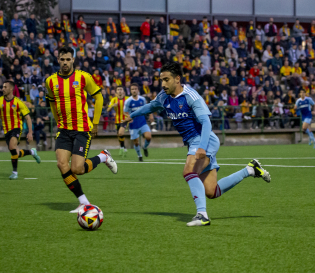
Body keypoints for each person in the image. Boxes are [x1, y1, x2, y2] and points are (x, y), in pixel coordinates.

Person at [123, 63, 271, 227]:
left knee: (189, 171)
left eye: (166, 80)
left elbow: (206, 123)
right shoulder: (164, 96)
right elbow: (150, 107)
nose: (163, 84)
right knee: (212, 191)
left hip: (203, 139)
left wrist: (201, 146)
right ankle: (250, 169)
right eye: (161, 80)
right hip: (194, 142)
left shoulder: (191, 96)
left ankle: (202, 215)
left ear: (177, 79)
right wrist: (132, 116)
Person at [45, 46, 117, 213]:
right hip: (63, 129)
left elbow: (99, 97)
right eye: (62, 59)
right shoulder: (50, 81)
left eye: (68, 59)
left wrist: (96, 123)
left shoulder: (83, 77)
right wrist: (58, 122)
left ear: (73, 60)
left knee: (77, 168)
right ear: (58, 60)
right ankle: (83, 202)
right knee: (62, 164)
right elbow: (52, 102)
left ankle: (103, 157)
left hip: (82, 128)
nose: (65, 62)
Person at [0, 80, 41, 179]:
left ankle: (15, 173)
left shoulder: (18, 102)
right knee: (15, 152)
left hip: (16, 127)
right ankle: (32, 152)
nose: (3, 89)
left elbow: (28, 117)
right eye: (3, 87)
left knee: (12, 147)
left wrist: (30, 132)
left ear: (11, 89)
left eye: (5, 87)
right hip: (6, 129)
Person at [124, 83, 151, 161]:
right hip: (133, 124)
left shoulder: (142, 99)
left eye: (135, 89)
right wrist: (129, 117)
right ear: (130, 91)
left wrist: (150, 115)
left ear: (138, 90)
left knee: (148, 137)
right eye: (132, 89)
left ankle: (145, 147)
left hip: (142, 122)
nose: (134, 90)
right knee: (136, 142)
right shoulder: (128, 101)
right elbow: (125, 112)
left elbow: (146, 108)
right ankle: (139, 155)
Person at [107, 86, 128, 157]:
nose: (119, 91)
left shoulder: (127, 99)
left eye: (121, 89)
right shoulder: (114, 99)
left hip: (125, 119)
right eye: (118, 90)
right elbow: (108, 110)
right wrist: (113, 105)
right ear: (116, 92)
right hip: (117, 120)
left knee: (121, 133)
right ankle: (124, 147)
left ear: (123, 91)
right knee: (119, 135)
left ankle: (122, 148)